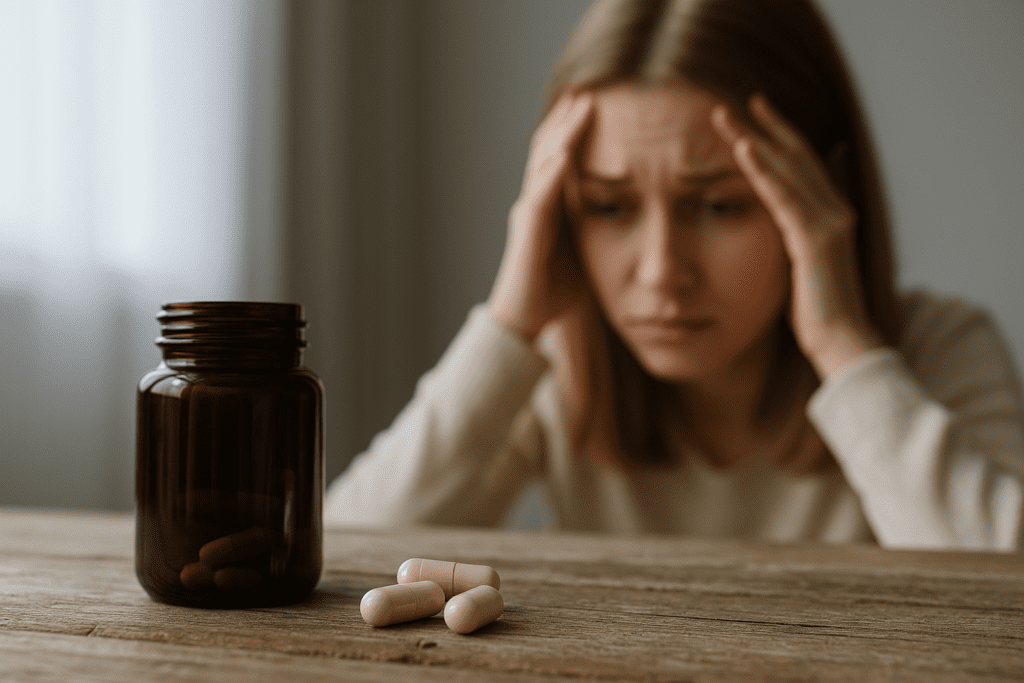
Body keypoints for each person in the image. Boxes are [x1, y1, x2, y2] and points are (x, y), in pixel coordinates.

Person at [324, 0, 1024, 551]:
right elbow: (343, 546)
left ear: (821, 195)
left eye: (718, 205)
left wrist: (844, 345)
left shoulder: (940, 351)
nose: (662, 272)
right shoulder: (558, 369)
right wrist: (511, 320)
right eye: (609, 206)